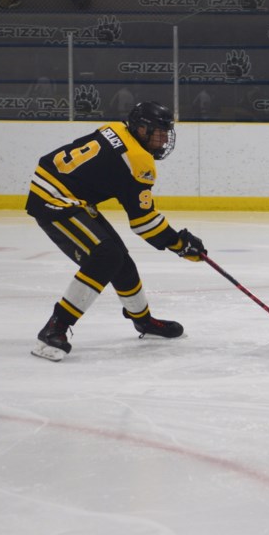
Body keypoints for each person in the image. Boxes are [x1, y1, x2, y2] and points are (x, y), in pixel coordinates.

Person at [26, 101, 207, 362]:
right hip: (55, 201)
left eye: (167, 133)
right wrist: (179, 244)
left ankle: (143, 322)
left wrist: (176, 242)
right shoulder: (138, 160)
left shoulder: (114, 129)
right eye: (158, 132)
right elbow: (143, 222)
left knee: (120, 260)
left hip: (64, 193)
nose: (164, 140)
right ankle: (55, 327)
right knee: (106, 256)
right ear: (141, 129)